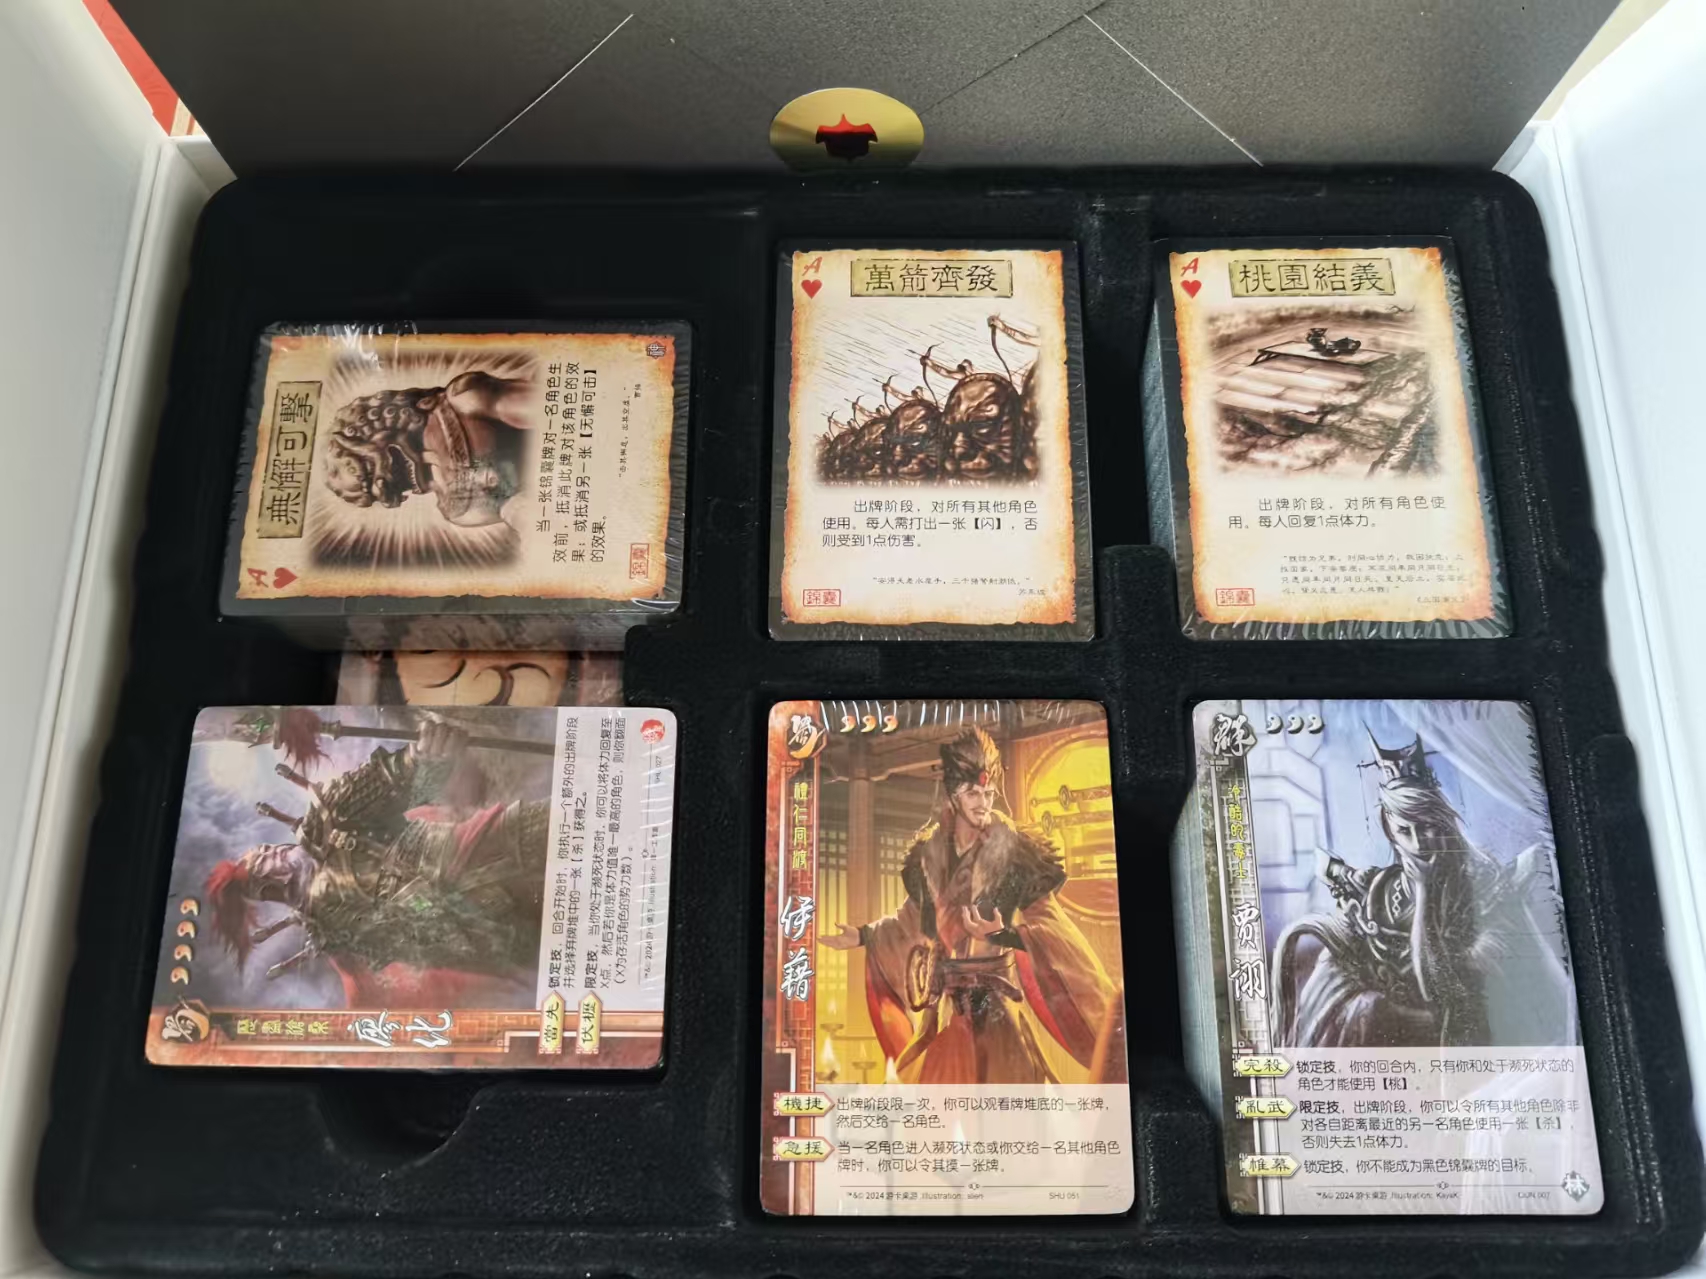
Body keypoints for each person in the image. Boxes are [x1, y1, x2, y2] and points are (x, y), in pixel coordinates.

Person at [821, 726, 1116, 1084]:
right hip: (947, 1009)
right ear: (953, 794)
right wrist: (862, 935)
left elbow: (1052, 928)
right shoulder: (928, 857)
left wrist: (1004, 935)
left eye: (988, 793)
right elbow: (909, 921)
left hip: (998, 1008)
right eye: (973, 793)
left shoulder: (1016, 853)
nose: (983, 802)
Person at [204, 720, 548, 1003]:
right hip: (479, 929)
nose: (267, 851)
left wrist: (425, 756)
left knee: (561, 828)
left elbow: (393, 784)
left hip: (472, 847)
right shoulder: (329, 933)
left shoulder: (326, 821)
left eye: (263, 849)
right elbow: (409, 950)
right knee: (539, 945)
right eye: (258, 861)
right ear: (263, 888)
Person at [1271, 732, 1574, 1049]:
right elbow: (1340, 890)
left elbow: (1441, 991)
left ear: (1443, 824)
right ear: (1390, 830)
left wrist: (1424, 890)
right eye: (1405, 830)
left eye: (1427, 826)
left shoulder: (1482, 886)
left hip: (1452, 1026)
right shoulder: (1382, 885)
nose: (1418, 843)